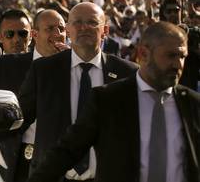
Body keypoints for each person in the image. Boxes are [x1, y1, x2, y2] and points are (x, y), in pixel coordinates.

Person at [27, 21, 200, 182]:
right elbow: (66, 152)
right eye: (170, 56)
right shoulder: (109, 100)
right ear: (143, 54)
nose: (178, 64)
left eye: (182, 56)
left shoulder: (192, 105)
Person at [18, 2, 137, 182]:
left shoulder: (127, 73)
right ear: (68, 30)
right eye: (77, 22)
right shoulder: (43, 70)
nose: (84, 27)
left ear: (105, 31)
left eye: (92, 22)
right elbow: (19, 119)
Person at [0, 9, 68, 182]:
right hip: (23, 161)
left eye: (61, 28)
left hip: (66, 161)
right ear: (35, 34)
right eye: (50, 28)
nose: (57, 34)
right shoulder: (7, 65)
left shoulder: (75, 68)